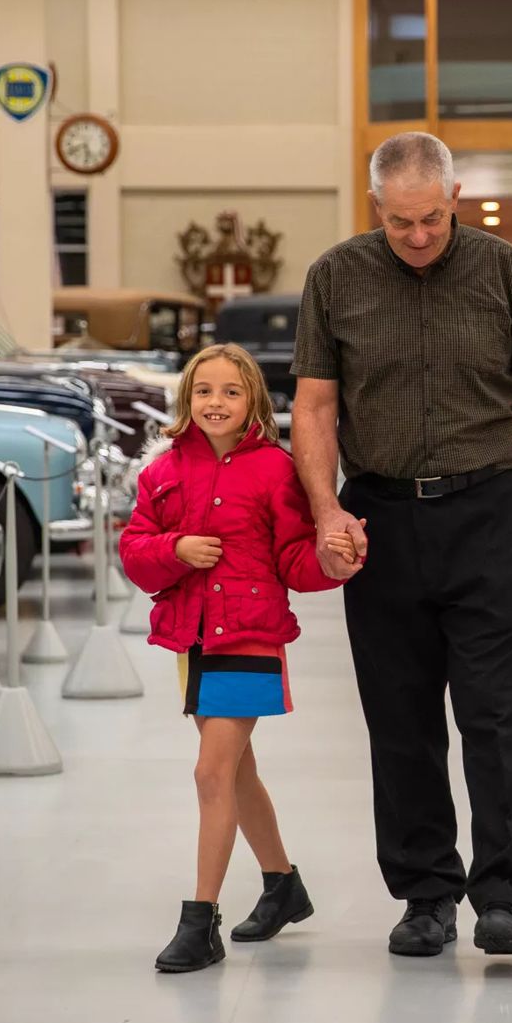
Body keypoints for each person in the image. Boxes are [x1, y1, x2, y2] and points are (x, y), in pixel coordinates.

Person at [291, 130, 512, 960]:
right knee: (400, 718)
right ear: (376, 210)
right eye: (401, 223)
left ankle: (505, 897)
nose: (419, 236)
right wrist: (326, 512)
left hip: (487, 513)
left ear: (455, 198)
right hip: (379, 520)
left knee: (493, 711)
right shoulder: (336, 277)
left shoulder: (504, 271)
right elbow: (315, 408)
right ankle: (426, 893)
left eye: (431, 218)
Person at [119, 342, 355, 974]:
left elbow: (296, 561)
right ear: (185, 398)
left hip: (250, 635)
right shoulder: (163, 471)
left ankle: (201, 921)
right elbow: (135, 552)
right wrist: (175, 549)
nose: (214, 403)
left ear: (253, 398)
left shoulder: (277, 470)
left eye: (229, 391)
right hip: (191, 640)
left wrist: (334, 562)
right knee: (236, 772)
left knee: (210, 774)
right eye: (203, 391)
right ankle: (283, 885)